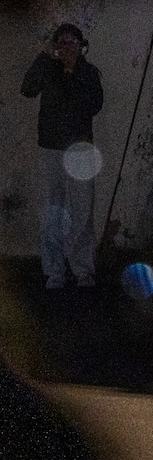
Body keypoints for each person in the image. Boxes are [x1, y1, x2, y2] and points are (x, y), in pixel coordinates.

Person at [20, 22, 105, 290]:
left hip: (80, 150)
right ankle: (54, 271)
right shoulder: (47, 68)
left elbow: (94, 106)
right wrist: (44, 57)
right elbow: (27, 88)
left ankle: (83, 271)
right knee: (52, 213)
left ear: (81, 47)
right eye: (62, 42)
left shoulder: (89, 73)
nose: (67, 47)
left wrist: (72, 72)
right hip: (51, 148)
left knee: (82, 213)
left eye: (72, 43)